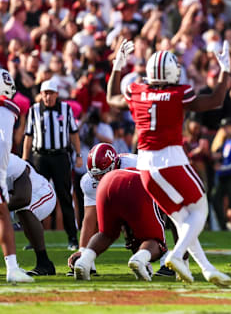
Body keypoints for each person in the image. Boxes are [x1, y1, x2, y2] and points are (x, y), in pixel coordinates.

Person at [106, 41, 231, 287]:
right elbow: (215, 100)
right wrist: (226, 70)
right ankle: (175, 256)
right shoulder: (178, 93)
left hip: (144, 163)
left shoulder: (136, 91)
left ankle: (205, 268)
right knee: (200, 210)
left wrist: (118, 66)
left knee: (182, 219)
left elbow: (111, 98)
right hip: (171, 158)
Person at [70, 166, 166, 282]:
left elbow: (89, 218)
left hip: (106, 183)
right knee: (157, 241)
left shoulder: (89, 179)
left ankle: (84, 261)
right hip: (136, 184)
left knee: (106, 234)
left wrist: (82, 249)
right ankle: (139, 259)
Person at [22, 79, 82, 250]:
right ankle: (33, 238)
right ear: (41, 94)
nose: (47, 97)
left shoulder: (65, 109)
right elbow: (29, 136)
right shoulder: (34, 110)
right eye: (45, 93)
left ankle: (72, 238)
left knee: (65, 196)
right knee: (35, 197)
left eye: (51, 93)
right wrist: (25, 160)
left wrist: (78, 155)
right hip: (40, 157)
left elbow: (74, 133)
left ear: (57, 94)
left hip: (60, 157)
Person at [74, 143, 137, 276]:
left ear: (115, 165)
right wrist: (82, 252)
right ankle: (88, 263)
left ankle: (164, 261)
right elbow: (90, 218)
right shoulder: (88, 182)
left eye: (102, 174)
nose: (99, 179)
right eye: (96, 175)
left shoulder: (135, 166)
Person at [0, 69, 33, 284]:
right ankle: (12, 268)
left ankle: (12, 267)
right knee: (3, 215)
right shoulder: (8, 108)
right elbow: (4, 143)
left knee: (3, 214)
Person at [6, 153, 56, 276]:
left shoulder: (11, 163)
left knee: (23, 209)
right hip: (10, 201)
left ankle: (44, 263)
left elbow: (23, 198)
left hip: (41, 193)